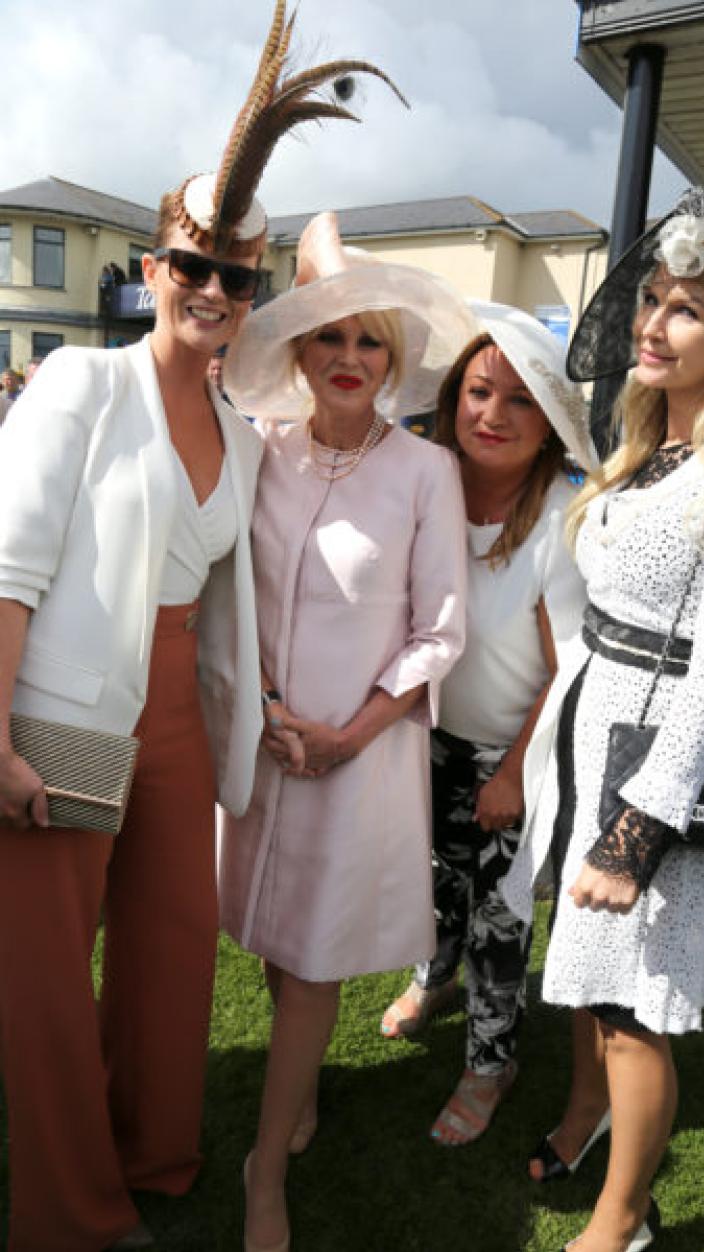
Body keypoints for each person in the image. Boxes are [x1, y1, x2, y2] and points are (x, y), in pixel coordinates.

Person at [0, 5, 403, 1247]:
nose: (214, 292)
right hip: (63, 709)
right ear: (152, 269)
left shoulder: (240, 432)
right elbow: (6, 571)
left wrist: (260, 702)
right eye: (193, 267)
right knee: (48, 986)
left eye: (238, 276)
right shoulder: (79, 383)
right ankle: (70, 1209)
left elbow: (229, 591)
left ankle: (157, 1157)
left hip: (184, 719)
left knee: (174, 955)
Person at [504, 171, 704, 1252]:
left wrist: (638, 826)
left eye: (686, 308)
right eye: (650, 298)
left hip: (657, 754)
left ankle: (619, 1223)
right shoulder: (649, 449)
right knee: (586, 975)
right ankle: (586, 1115)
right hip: (593, 724)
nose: (652, 321)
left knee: (634, 1004)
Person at [219, 211, 476, 1252]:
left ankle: (264, 1171)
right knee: (278, 946)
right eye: (331, 337)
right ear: (298, 350)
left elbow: (438, 630)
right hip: (264, 740)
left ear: (394, 359)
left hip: (359, 754)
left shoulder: (424, 472)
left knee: (315, 958)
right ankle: (298, 1092)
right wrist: (275, 713)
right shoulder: (260, 452)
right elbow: (229, 592)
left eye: (371, 341)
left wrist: (346, 731)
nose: (350, 359)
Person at [380, 303, 597, 1146]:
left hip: (509, 754)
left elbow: (568, 665)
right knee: (429, 889)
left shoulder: (560, 524)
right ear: (449, 400)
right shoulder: (423, 490)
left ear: (548, 426)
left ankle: (490, 1061)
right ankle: (433, 979)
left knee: (498, 922)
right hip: (418, 738)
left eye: (518, 400)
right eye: (477, 391)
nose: (492, 415)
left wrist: (510, 772)